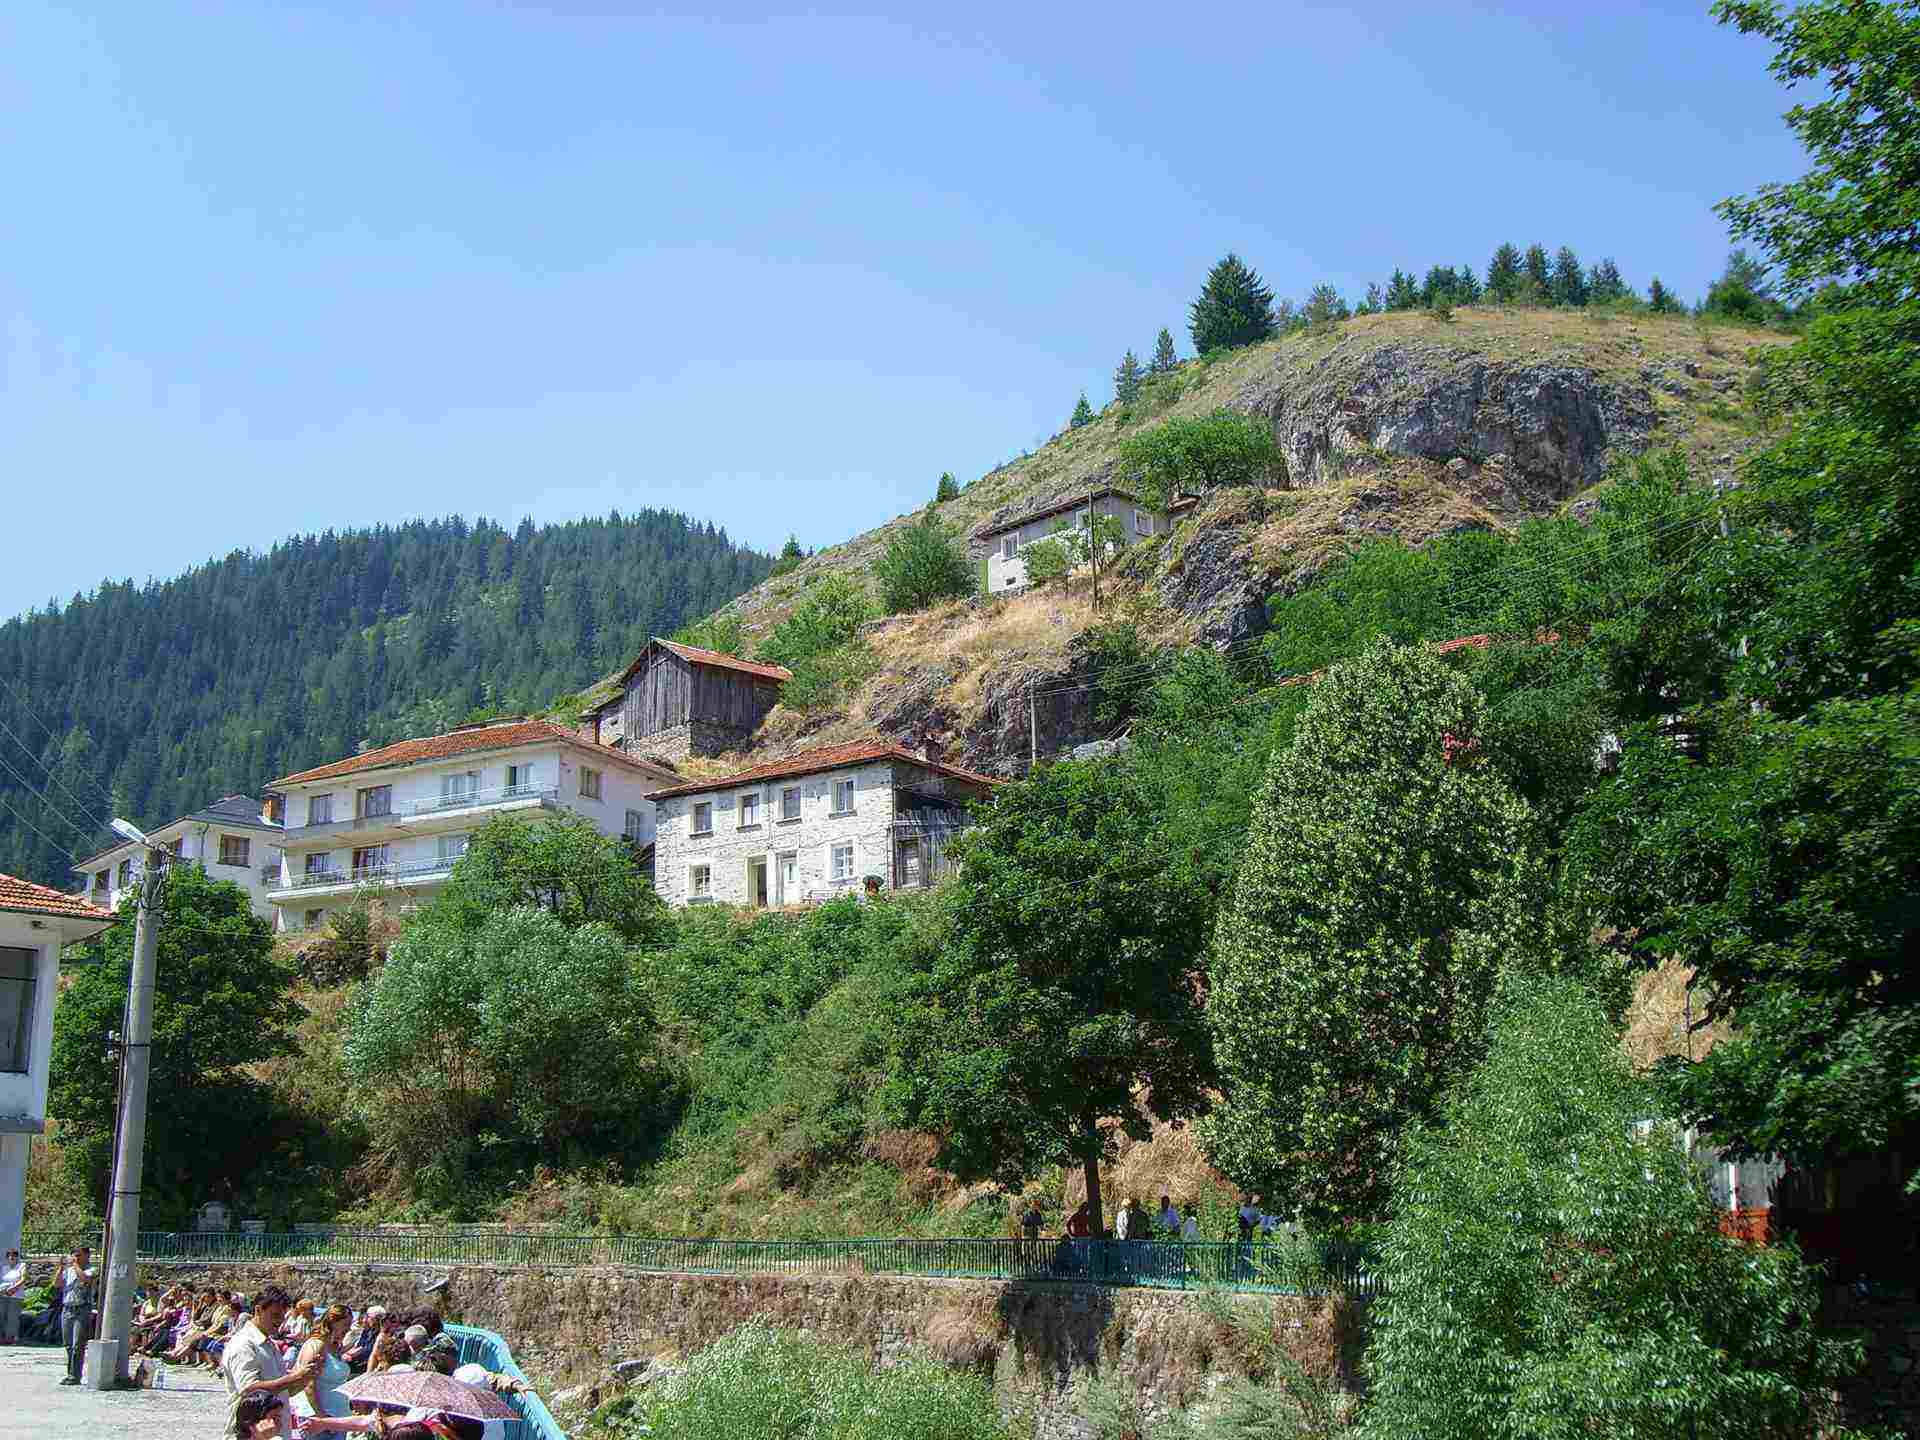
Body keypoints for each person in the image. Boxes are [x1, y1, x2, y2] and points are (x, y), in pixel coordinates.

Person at [222, 1285, 318, 1439]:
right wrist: (294, 1377)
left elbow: (281, 1391)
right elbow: (249, 1390)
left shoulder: (268, 1343)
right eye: (275, 1315)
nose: (280, 1321)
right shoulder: (244, 1344)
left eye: (283, 1316)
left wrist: (305, 1377)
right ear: (258, 1310)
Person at [291, 1303, 355, 1424]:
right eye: (346, 1324)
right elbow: (308, 1384)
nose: (348, 1329)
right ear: (333, 1322)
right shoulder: (316, 1345)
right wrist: (322, 1417)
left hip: (336, 1417)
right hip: (316, 1418)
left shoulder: (335, 1347)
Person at [57, 1244, 97, 1386]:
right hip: (67, 1309)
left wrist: (75, 1265)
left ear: (87, 1255)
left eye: (79, 1255)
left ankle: (75, 1376)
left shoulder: (91, 1269)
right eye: (74, 1255)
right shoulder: (69, 1270)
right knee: (68, 1344)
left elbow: (85, 1280)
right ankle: (70, 1373)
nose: (76, 1257)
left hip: (82, 1309)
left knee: (77, 1345)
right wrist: (61, 1268)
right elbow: (57, 1284)